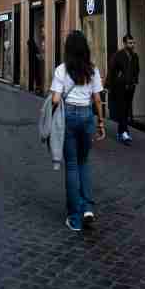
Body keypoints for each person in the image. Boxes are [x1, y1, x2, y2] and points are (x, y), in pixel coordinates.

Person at [51, 31, 105, 232]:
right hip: (87, 116)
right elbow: (97, 99)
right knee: (84, 163)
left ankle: (74, 217)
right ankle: (88, 208)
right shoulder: (92, 70)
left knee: (72, 165)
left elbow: (56, 100)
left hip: (69, 117)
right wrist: (100, 122)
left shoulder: (61, 70)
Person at [109, 34, 141, 145]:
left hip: (131, 86)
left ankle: (120, 132)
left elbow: (137, 70)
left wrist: (135, 81)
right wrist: (111, 85)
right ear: (124, 43)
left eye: (133, 43)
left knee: (127, 109)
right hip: (120, 87)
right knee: (122, 109)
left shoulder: (135, 56)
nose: (132, 45)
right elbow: (112, 71)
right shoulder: (118, 55)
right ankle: (125, 132)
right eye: (130, 43)